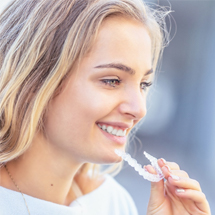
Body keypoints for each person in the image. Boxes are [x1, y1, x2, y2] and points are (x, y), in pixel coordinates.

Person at [0, 0, 211, 214]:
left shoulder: (113, 203)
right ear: (32, 83)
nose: (139, 110)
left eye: (144, 84)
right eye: (112, 81)